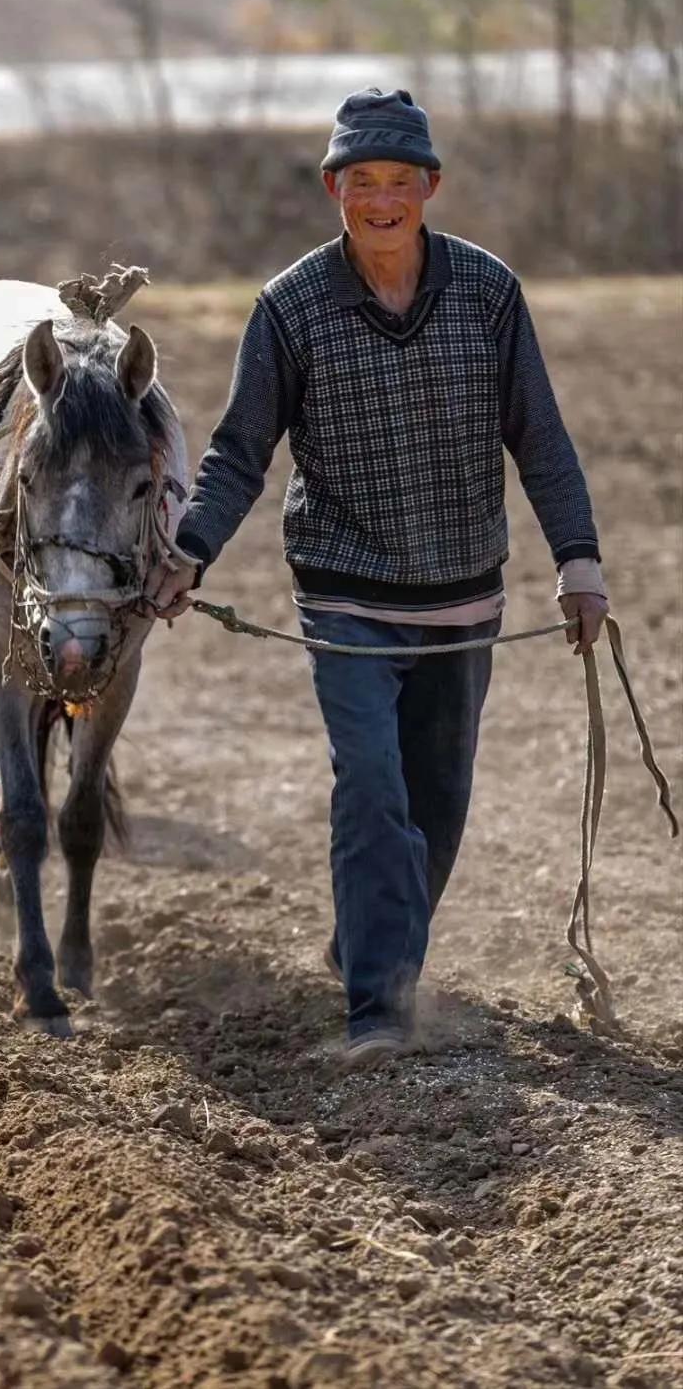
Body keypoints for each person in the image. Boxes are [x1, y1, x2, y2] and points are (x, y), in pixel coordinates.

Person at [149, 88, 609, 1069]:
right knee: (371, 789)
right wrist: (189, 551)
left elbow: (542, 438)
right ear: (334, 190)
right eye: (364, 182)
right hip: (347, 595)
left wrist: (579, 558)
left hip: (465, 595)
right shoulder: (291, 307)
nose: (384, 199)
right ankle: (376, 1010)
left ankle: (371, 944)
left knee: (436, 806)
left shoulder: (489, 292)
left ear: (431, 188)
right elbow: (239, 450)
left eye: (402, 181)